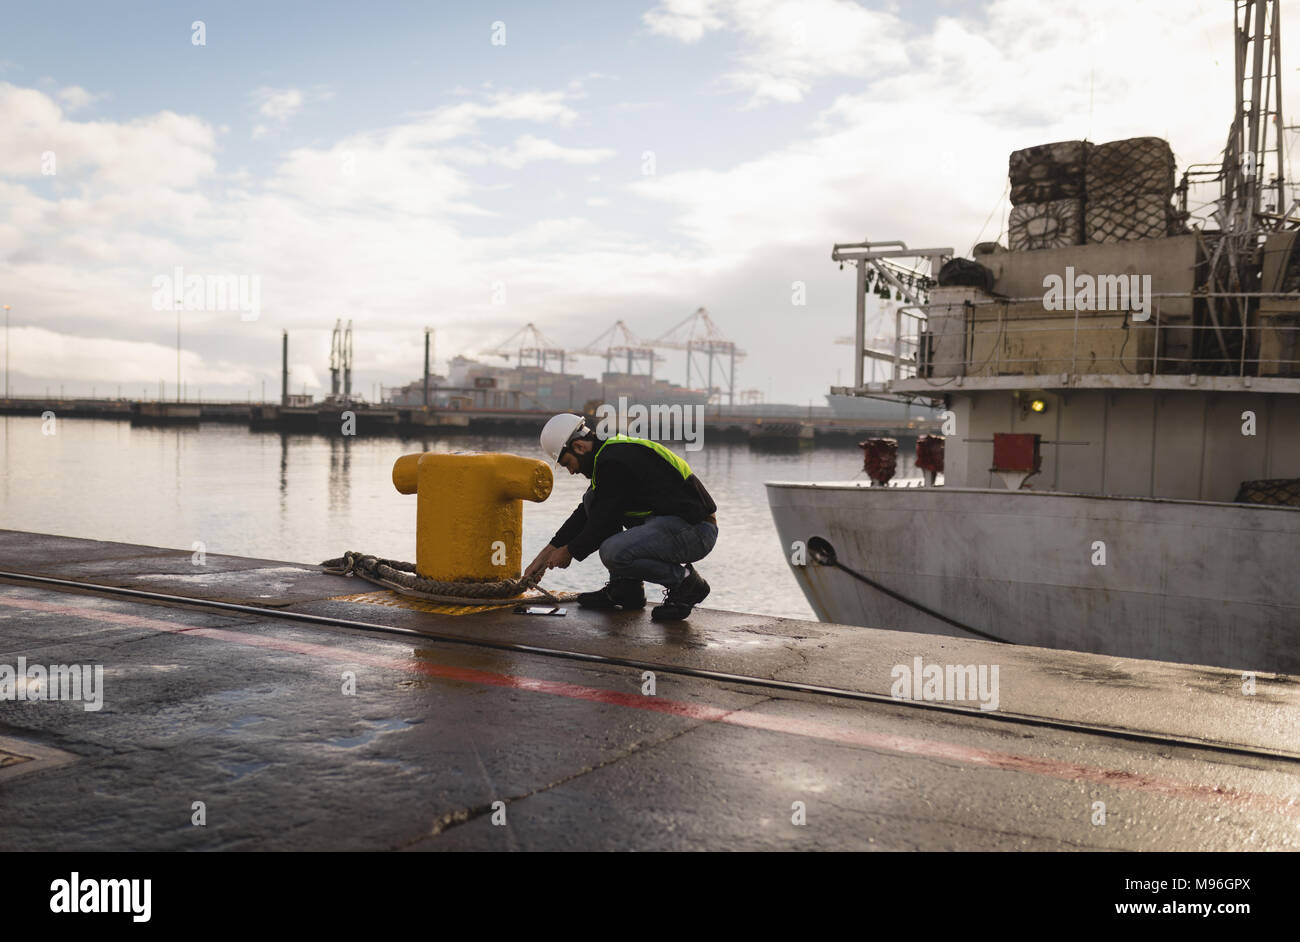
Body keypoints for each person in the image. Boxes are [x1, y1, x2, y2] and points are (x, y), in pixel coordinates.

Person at [524, 413, 718, 621]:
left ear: (579, 447)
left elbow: (602, 524)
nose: (571, 471)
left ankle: (686, 583)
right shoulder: (610, 457)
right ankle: (626, 588)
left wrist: (569, 551)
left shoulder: (614, 462)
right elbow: (588, 514)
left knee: (612, 551)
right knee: (591, 499)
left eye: (567, 463)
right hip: (674, 526)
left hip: (695, 531)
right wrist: (546, 554)